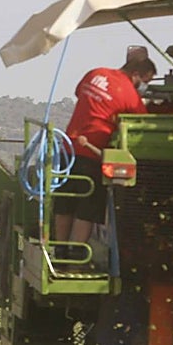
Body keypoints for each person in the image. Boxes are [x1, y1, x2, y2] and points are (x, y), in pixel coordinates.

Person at [53, 55, 156, 259]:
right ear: (136, 74)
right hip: (93, 152)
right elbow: (144, 122)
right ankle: (75, 254)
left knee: (64, 202)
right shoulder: (128, 93)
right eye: (144, 81)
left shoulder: (95, 73)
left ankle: (59, 250)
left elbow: (79, 93)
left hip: (68, 148)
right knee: (87, 208)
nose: (143, 86)